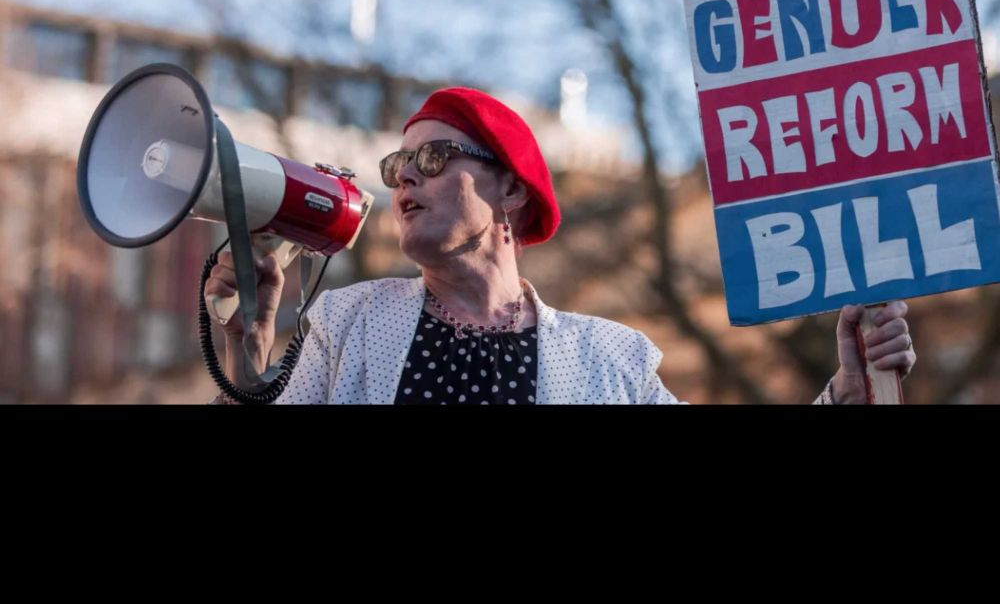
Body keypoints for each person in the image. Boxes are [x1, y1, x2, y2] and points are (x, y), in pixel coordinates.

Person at [206, 87, 917, 404]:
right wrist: (246, 357)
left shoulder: (616, 364)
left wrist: (845, 397)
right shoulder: (346, 324)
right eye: (397, 168)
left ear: (510, 192)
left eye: (432, 159)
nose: (404, 182)